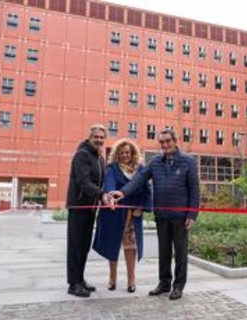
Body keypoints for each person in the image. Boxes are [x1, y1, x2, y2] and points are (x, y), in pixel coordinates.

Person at [111, 128, 199, 300]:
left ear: (175, 141)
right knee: (164, 251)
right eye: (162, 142)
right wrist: (123, 192)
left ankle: (178, 286)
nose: (165, 145)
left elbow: (195, 190)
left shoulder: (188, 162)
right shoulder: (156, 162)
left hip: (181, 216)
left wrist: (192, 214)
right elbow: (139, 178)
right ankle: (164, 283)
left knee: (180, 252)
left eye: (167, 141)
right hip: (161, 214)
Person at [93, 139, 150, 293]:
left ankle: (131, 280)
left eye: (128, 152)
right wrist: (111, 198)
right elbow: (109, 185)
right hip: (114, 213)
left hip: (133, 214)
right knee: (113, 246)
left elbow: (146, 190)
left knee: (131, 247)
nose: (125, 155)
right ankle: (112, 278)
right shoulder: (112, 168)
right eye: (122, 152)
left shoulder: (141, 169)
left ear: (132, 154)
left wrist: (141, 207)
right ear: (117, 154)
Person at [66, 124, 114, 298]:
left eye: (102, 137)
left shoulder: (100, 159)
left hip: (91, 208)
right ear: (90, 137)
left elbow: (101, 182)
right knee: (75, 246)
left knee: (84, 246)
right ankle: (73, 284)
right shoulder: (82, 155)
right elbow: (83, 182)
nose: (99, 140)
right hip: (78, 207)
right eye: (96, 137)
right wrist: (102, 195)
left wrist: (107, 195)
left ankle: (80, 279)